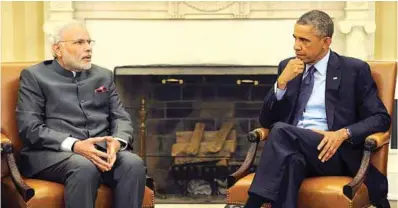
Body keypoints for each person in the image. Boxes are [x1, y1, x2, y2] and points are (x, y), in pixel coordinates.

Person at [244, 10, 391, 208]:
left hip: (333, 152)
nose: (297, 46)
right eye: (295, 38)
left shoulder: (353, 70)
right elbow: (266, 121)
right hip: (292, 148)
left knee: (280, 131)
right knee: (291, 161)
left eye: (305, 40)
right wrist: (281, 84)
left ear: (326, 42)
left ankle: (252, 203)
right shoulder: (288, 67)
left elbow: (381, 118)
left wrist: (342, 134)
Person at [16, 20, 146, 208]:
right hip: (52, 154)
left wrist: (118, 141)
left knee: (132, 164)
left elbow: (121, 116)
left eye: (89, 42)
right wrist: (75, 145)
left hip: (101, 150)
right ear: (57, 49)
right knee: (83, 167)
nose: (88, 48)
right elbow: (30, 127)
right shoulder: (34, 76)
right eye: (79, 42)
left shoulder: (103, 76)